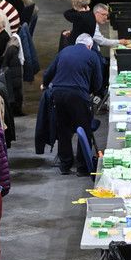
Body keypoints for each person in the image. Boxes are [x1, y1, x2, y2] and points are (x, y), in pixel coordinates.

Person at [41, 33, 103, 176]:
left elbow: (49, 72)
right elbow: (98, 82)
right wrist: (92, 92)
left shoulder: (64, 51)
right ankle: (82, 166)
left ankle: (65, 164)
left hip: (59, 94)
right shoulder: (92, 55)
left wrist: (45, 84)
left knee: (63, 129)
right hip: (79, 96)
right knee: (84, 129)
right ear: (89, 45)